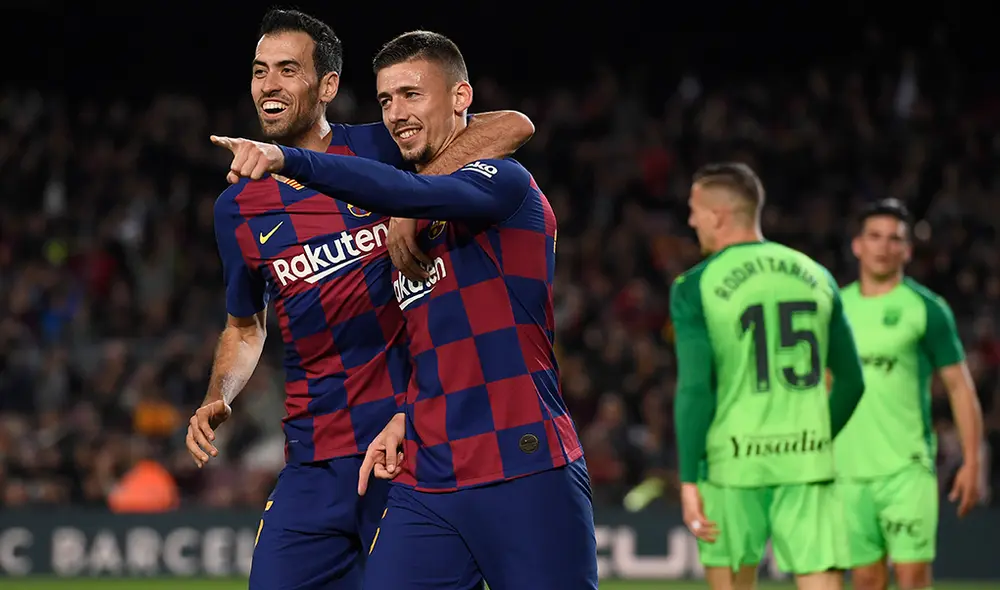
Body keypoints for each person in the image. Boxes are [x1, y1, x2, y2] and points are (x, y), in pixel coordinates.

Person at [210, 30, 598, 590]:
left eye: (412, 95)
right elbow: (426, 342)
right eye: (386, 100)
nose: (395, 114)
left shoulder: (504, 183)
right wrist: (407, 415)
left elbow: (479, 149)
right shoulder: (403, 238)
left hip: (521, 459)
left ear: (461, 98)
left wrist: (289, 160)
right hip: (428, 476)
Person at [670, 162, 865, 590]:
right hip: (807, 459)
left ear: (718, 215)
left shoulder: (694, 285)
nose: (691, 221)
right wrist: (816, 435)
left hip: (730, 462)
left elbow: (696, 389)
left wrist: (687, 478)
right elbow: (853, 382)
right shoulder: (817, 275)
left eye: (694, 211)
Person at [835, 199, 984, 590]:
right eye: (875, 236)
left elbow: (959, 387)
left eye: (894, 239)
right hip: (847, 469)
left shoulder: (927, 309)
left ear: (908, 250)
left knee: (913, 577)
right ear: (857, 245)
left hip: (907, 467)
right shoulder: (835, 308)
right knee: (866, 580)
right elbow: (825, 383)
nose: (884, 247)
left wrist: (972, 461)